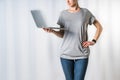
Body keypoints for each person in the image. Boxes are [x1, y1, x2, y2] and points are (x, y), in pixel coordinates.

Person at [43, 0, 103, 80]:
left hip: (82, 54)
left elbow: (99, 27)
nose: (67, 1)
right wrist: (52, 31)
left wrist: (93, 41)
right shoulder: (63, 14)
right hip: (65, 55)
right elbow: (62, 34)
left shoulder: (85, 12)